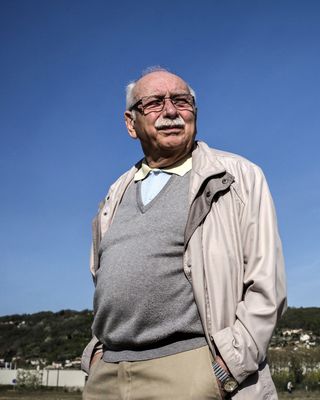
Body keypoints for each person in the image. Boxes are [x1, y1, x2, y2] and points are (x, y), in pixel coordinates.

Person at [81, 67, 287, 400]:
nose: (171, 111)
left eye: (181, 101)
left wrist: (226, 366)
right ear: (131, 123)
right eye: (154, 103)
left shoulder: (236, 177)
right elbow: (101, 280)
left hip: (190, 369)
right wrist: (96, 356)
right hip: (109, 372)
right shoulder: (115, 192)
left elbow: (267, 283)